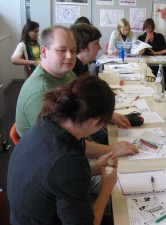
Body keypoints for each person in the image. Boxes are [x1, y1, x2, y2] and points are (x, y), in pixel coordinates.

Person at [15, 25, 138, 159]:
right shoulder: (40, 92)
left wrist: (108, 114)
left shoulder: (65, 74)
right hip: (53, 158)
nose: (69, 56)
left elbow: (82, 106)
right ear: (44, 52)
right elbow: (62, 142)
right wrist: (111, 150)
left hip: (78, 140)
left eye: (73, 51)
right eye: (62, 50)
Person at [8, 76, 118, 225]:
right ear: (94, 121)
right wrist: (106, 189)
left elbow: (53, 179)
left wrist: (94, 169)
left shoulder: (46, 123)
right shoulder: (69, 162)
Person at [138, 18, 166, 89]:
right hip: (146, 62)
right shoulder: (141, 38)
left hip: (158, 61)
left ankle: (163, 89)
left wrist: (156, 53)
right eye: (146, 28)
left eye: (149, 28)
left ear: (153, 28)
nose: (148, 30)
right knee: (146, 71)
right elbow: (140, 53)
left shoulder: (159, 36)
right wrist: (146, 41)